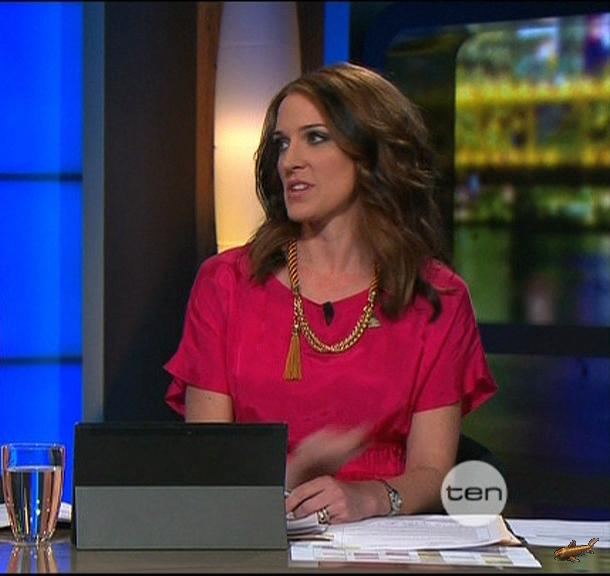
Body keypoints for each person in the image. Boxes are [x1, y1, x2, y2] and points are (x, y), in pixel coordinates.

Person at [164, 63, 497, 524]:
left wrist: (370, 498)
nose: (289, 161)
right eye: (282, 143)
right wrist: (291, 474)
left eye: (315, 138)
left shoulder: (437, 297)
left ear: (370, 155)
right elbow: (207, 466)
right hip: (260, 529)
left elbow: (432, 471)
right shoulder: (226, 284)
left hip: (385, 537)